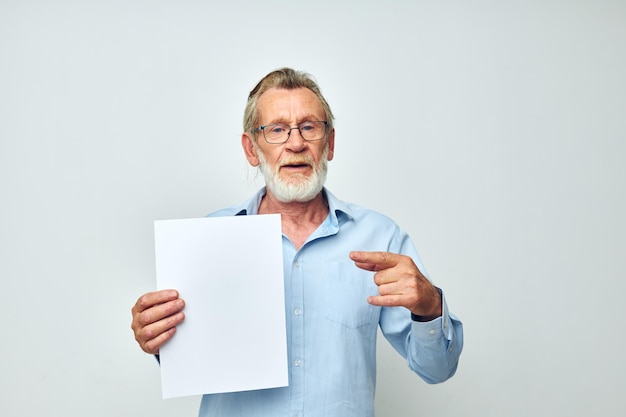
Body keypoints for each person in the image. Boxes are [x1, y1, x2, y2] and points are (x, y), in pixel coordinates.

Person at [131, 67, 463, 417]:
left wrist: (429, 307)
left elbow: (437, 370)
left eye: (309, 127)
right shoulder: (209, 237)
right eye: (276, 129)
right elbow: (188, 354)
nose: (295, 143)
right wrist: (158, 339)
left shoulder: (381, 238)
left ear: (330, 143)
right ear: (251, 148)